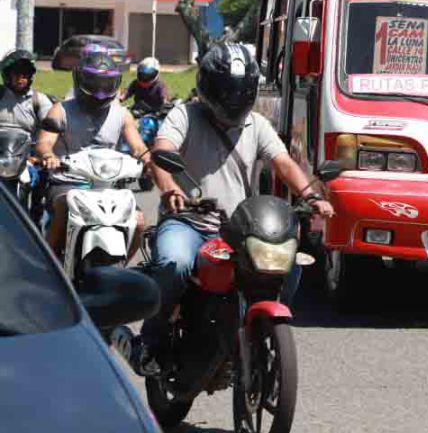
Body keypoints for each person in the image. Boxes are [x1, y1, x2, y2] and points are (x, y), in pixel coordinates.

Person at [133, 43, 334, 376]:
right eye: (227, 93)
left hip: (238, 227)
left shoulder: (257, 125)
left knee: (288, 264)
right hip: (188, 221)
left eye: (240, 93)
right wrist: (169, 189)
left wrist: (312, 197)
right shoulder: (185, 115)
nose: (234, 100)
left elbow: (283, 163)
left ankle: (258, 332)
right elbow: (162, 151)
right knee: (174, 263)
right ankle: (150, 341)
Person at [36, 48, 149, 257]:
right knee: (64, 210)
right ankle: (45, 263)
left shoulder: (123, 114)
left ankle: (120, 267)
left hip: (108, 186)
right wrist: (48, 156)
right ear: (80, 80)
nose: (100, 90)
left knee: (139, 222)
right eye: (94, 82)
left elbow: (139, 147)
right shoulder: (60, 110)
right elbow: (44, 142)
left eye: (106, 84)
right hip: (67, 183)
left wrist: (148, 161)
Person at [0, 49, 51, 135]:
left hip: (27, 143)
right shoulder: (1, 95)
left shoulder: (38, 100)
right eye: (16, 73)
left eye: (25, 73)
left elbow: (51, 129)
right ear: (7, 75)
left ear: (30, 76)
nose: (21, 78)